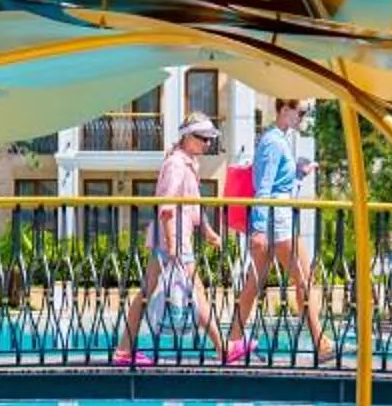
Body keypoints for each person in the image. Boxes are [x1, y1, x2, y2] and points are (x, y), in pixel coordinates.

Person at [114, 114, 224, 365]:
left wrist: (206, 231)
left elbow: (193, 204)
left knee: (146, 294)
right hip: (173, 239)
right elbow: (168, 205)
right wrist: (174, 244)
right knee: (197, 293)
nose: (207, 144)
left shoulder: (187, 163)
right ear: (187, 137)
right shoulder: (176, 164)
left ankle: (123, 351)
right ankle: (223, 349)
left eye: (209, 139)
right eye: (202, 138)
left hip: (170, 238)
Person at [228, 98, 327, 361]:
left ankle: (233, 341)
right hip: (277, 220)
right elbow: (264, 187)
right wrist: (259, 230)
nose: (303, 117)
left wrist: (299, 173)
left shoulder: (276, 139)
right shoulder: (273, 142)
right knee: (305, 278)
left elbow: (276, 185)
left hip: (273, 218)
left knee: (255, 282)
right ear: (285, 110)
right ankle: (320, 342)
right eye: (301, 112)